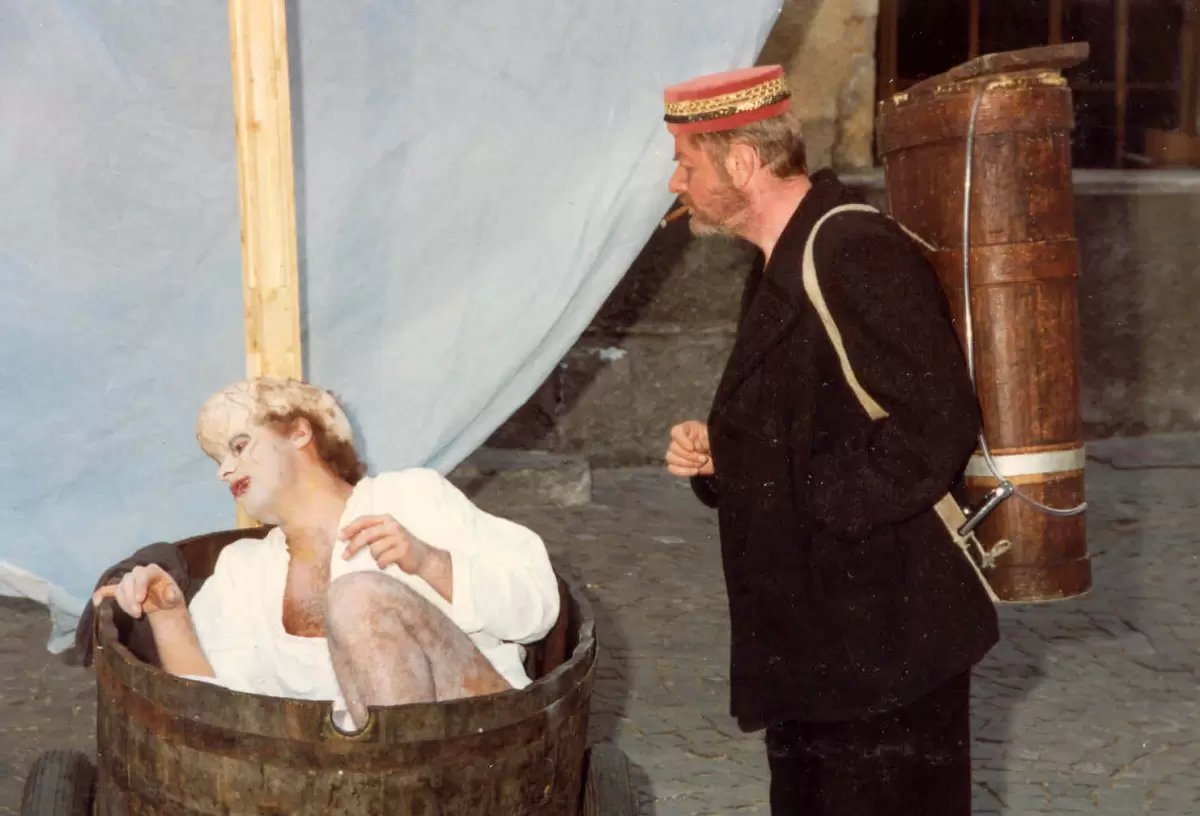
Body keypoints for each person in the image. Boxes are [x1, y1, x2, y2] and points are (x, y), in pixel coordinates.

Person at [659, 65, 1000, 814]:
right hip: (820, 644)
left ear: (740, 162)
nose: (677, 184)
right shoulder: (780, 257)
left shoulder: (851, 249)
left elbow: (937, 424)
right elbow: (815, 416)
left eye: (687, 164)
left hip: (884, 642)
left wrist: (807, 499)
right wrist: (727, 455)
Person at [93, 377, 560, 731]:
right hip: (350, 782)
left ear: (299, 432)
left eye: (238, 446)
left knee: (356, 597)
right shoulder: (243, 569)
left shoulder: (410, 496)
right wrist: (169, 616)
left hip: (482, 731)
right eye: (218, 461)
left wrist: (431, 562)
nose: (225, 471)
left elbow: (537, 611)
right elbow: (220, 715)